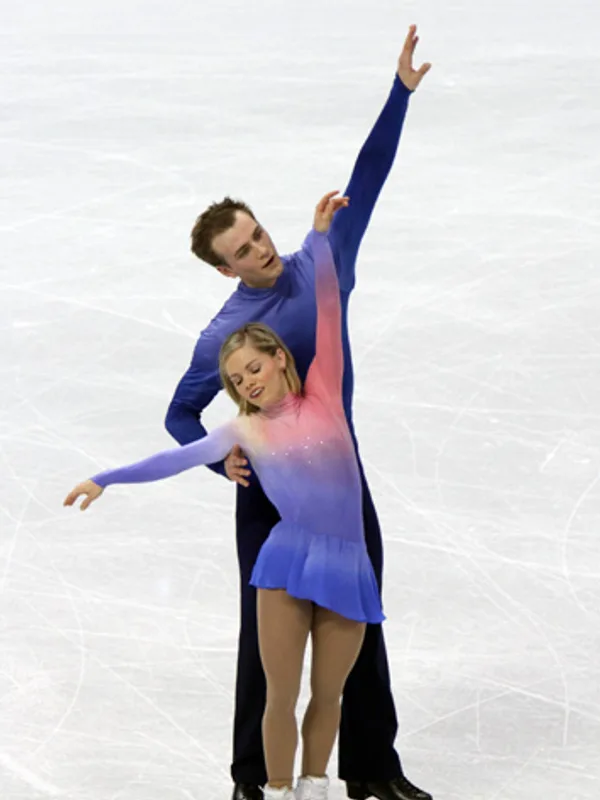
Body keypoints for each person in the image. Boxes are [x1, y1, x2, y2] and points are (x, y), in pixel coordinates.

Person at [167, 26, 432, 800]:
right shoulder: (222, 336)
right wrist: (221, 459)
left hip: (339, 474)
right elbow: (180, 416)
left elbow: (368, 177)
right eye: (243, 251)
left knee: (360, 615)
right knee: (267, 643)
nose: (261, 249)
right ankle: (255, 779)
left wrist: (400, 93)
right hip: (271, 494)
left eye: (257, 233)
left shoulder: (323, 256)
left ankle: (372, 771)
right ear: (224, 268)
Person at [65, 191, 391, 800]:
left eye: (254, 369)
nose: (248, 382)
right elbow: (171, 454)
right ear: (225, 268)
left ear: (279, 359)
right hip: (286, 556)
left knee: (330, 694)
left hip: (345, 560)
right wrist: (105, 478)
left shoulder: (324, 388)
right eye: (237, 380)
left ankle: (321, 785)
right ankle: (271, 787)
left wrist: (321, 238)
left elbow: (328, 306)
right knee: (279, 691)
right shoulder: (245, 429)